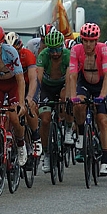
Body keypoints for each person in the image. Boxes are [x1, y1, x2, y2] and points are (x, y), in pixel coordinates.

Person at [67, 23, 107, 174]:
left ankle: (105, 160)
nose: (88, 44)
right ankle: (81, 135)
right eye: (85, 40)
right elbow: (73, 75)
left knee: (103, 120)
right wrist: (73, 97)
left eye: (91, 41)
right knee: (79, 105)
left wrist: (102, 96)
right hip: (84, 82)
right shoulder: (76, 50)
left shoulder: (103, 49)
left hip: (100, 84)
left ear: (96, 41)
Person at [0, 24, 28, 166]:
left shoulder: (10, 52)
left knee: (14, 116)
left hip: (12, 84)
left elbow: (20, 79)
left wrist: (21, 103)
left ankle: (21, 144)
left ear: (2, 42)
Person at [36, 30, 73, 172]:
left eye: (58, 49)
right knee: (45, 120)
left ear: (62, 46)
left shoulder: (67, 55)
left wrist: (69, 97)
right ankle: (46, 153)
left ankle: (68, 128)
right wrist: (35, 98)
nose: (55, 53)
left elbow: (70, 78)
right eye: (52, 50)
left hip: (63, 85)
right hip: (47, 88)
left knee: (65, 99)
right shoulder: (43, 55)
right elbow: (38, 79)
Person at [5, 31, 41, 159]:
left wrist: (29, 97)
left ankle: (36, 137)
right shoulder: (4, 56)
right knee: (10, 110)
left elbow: (33, 79)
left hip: (28, 84)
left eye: (17, 50)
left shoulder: (28, 55)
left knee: (29, 107)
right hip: (15, 85)